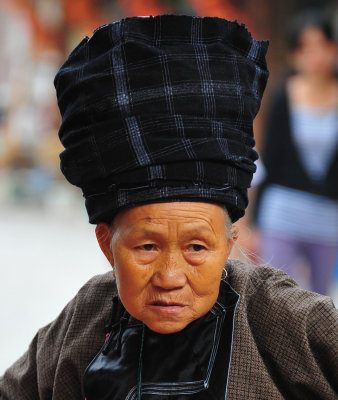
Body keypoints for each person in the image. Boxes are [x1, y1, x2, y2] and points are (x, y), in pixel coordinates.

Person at [0, 15, 337, 400]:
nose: (170, 277)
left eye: (197, 247)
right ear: (106, 244)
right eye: (147, 247)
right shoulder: (84, 320)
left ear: (228, 245)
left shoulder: (282, 319)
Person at [255, 10, 338, 295]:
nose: (314, 55)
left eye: (320, 45)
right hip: (283, 212)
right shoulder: (282, 95)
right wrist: (253, 221)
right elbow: (271, 160)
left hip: (328, 218)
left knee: (320, 301)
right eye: (305, 47)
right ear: (294, 54)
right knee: (277, 296)